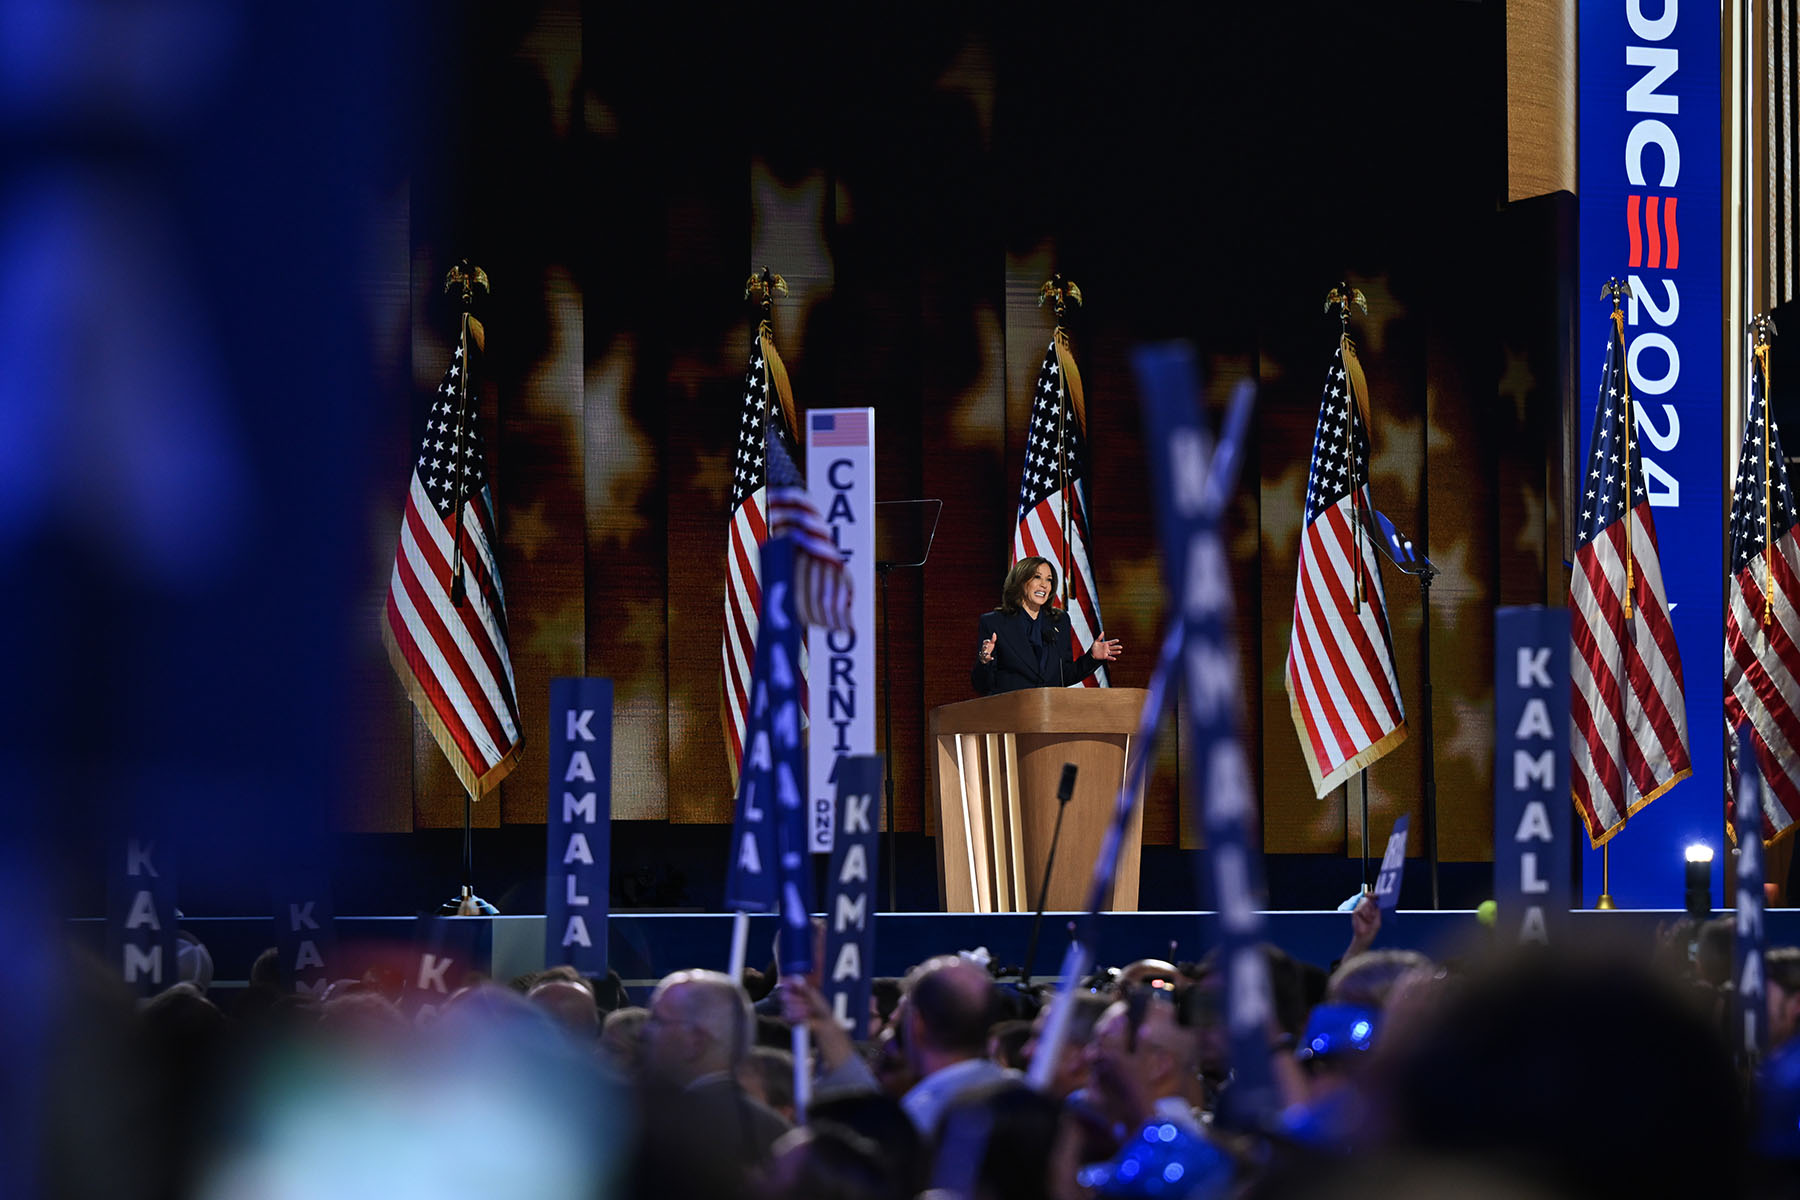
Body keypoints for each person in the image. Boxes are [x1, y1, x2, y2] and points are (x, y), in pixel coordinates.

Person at [972, 557, 1121, 695]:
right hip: (1012, 715)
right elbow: (982, 685)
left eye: (1049, 580)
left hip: (1050, 715)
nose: (1044, 585)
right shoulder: (994, 622)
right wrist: (984, 660)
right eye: (1037, 577)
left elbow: (1064, 676)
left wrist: (1092, 657)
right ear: (1020, 581)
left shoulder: (1059, 621)